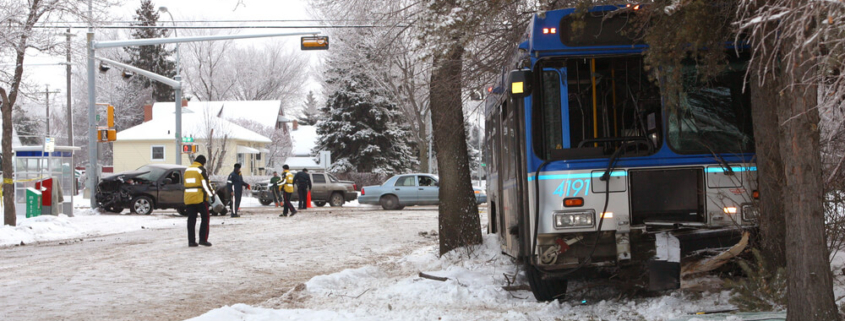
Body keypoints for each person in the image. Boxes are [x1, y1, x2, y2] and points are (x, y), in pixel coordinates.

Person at [184, 155, 214, 247]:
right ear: (203, 162)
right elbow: (205, 184)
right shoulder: (200, 169)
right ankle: (203, 239)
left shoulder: (188, 169)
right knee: (205, 217)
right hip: (199, 198)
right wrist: (211, 194)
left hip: (188, 197)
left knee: (191, 220)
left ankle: (191, 241)